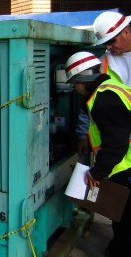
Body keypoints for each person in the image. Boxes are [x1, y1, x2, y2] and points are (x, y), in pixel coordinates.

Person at [65, 51, 131, 256]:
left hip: (126, 164)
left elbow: (116, 143)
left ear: (84, 78)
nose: (74, 88)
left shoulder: (104, 100)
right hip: (124, 162)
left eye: (74, 83)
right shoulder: (109, 88)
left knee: (125, 217)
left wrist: (98, 171)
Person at [76, 11, 131, 158]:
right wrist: (83, 134)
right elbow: (89, 101)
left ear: (126, 32)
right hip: (114, 151)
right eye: (105, 43)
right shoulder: (101, 64)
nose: (108, 47)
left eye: (111, 41)